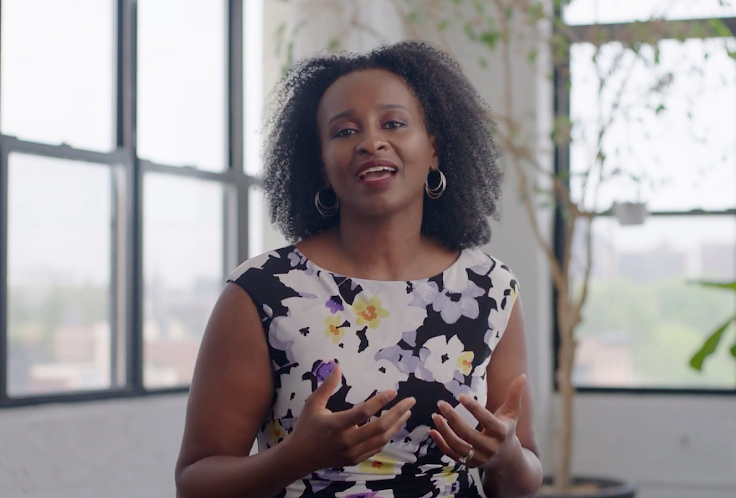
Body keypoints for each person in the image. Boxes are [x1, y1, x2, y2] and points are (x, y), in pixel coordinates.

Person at [174, 41, 542, 498]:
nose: (371, 142)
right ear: (323, 167)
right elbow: (194, 483)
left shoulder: (491, 290)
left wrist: (506, 457)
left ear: (434, 149)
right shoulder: (263, 292)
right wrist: (295, 457)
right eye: (345, 131)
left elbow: (523, 477)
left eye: (393, 123)